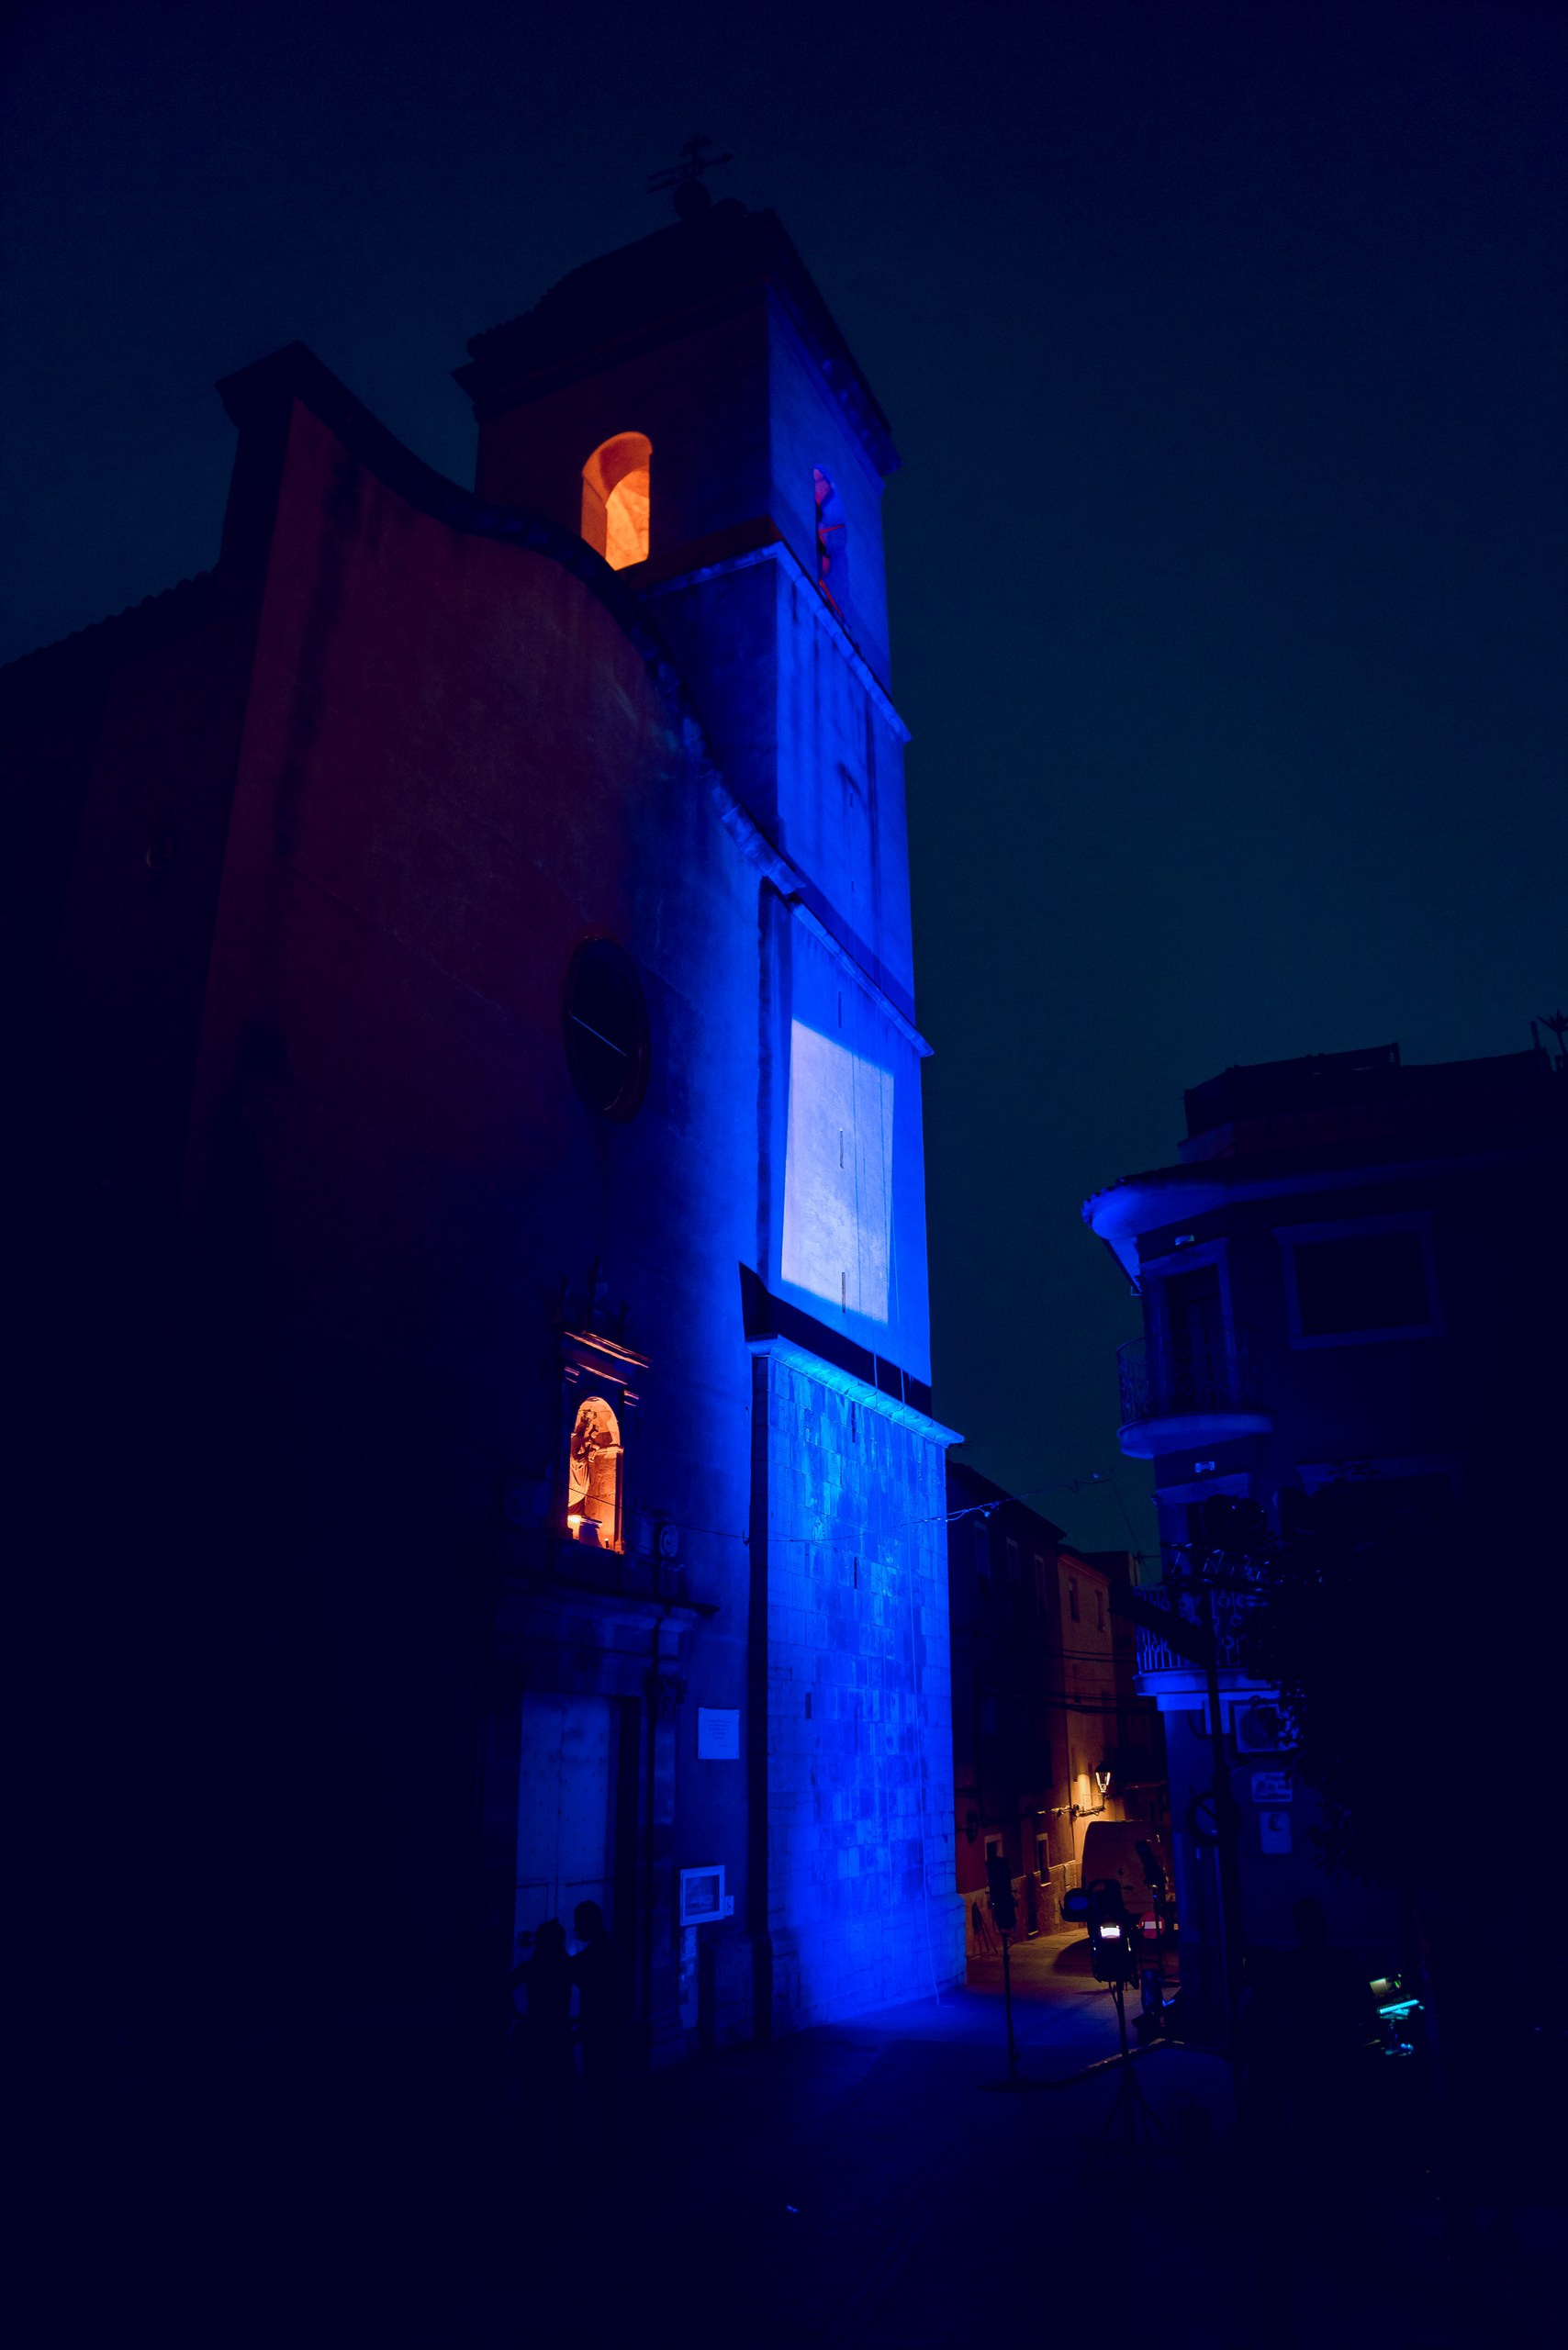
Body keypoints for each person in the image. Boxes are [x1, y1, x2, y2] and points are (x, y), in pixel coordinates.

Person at [570, 1902, 627, 2151]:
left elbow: (573, 1969)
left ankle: (608, 2145)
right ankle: (609, 2142)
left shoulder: (601, 1951)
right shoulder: (608, 1947)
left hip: (602, 2031)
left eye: (579, 1922)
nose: (576, 1928)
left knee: (602, 2087)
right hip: (607, 2029)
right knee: (605, 2089)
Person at [511, 1919, 576, 2130]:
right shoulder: (566, 1965)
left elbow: (505, 1986)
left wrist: (517, 2015)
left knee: (534, 2095)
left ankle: (533, 2143)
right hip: (559, 2032)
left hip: (536, 2030)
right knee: (561, 2097)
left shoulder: (532, 1967)